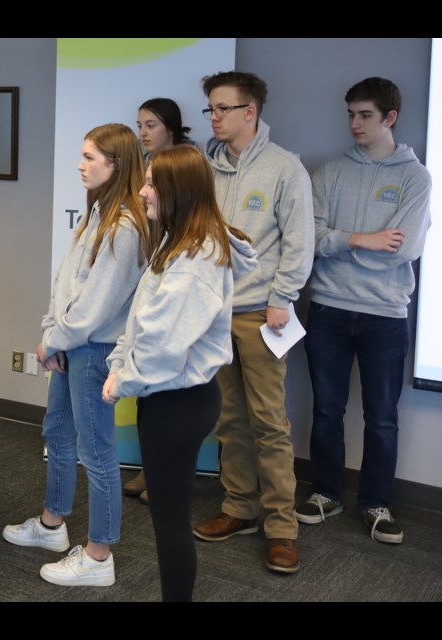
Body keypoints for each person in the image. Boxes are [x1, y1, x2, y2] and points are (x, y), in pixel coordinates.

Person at [103, 145, 256, 601]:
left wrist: (121, 380)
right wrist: (123, 368)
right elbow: (143, 323)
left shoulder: (195, 259)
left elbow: (162, 343)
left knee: (170, 523)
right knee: (168, 520)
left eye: (151, 184)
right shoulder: (180, 240)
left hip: (177, 401)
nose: (143, 192)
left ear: (178, 191)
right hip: (170, 396)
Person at [3, 124, 152, 587]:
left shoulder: (126, 226)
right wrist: (53, 334)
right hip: (73, 345)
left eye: (91, 157)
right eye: (82, 155)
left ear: (117, 164)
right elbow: (67, 283)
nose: (80, 164)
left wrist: (59, 339)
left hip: (95, 349)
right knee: (58, 433)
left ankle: (99, 556)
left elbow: (98, 304)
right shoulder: (98, 213)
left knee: (98, 452)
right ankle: (52, 526)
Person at [298, 77, 431, 544]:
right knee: (327, 409)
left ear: (389, 118)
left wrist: (338, 242)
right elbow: (308, 239)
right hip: (330, 309)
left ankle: (376, 503)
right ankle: (325, 493)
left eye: (365, 115)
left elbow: (403, 249)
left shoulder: (416, 177)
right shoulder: (329, 172)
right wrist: (360, 239)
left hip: (386, 315)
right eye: (351, 114)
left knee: (382, 416)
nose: (355, 123)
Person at [191, 71, 313, 574]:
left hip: (264, 314)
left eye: (222, 109)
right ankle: (238, 508)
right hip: (215, 313)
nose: (214, 118)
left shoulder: (286, 169)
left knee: (269, 422)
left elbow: (298, 243)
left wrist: (282, 298)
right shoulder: (204, 168)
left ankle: (282, 527)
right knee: (229, 420)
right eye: (210, 110)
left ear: (250, 112)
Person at [125, 97, 194, 505]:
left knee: (170, 396)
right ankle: (150, 470)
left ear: (171, 128)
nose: (144, 133)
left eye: (151, 124)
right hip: (148, 280)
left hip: (173, 285)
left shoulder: (184, 169)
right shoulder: (141, 173)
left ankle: (163, 477)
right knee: (147, 393)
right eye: (139, 125)